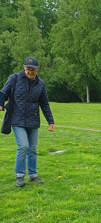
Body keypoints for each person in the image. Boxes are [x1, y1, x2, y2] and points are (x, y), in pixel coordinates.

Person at [0, 56, 55, 187]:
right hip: (17, 119)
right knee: (23, 146)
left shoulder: (41, 84)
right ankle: (19, 176)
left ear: (38, 69)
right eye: (27, 69)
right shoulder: (14, 78)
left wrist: (50, 121)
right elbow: (2, 93)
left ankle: (33, 175)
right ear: (24, 68)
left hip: (33, 119)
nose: (30, 72)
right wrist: (1, 104)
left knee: (33, 149)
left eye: (33, 70)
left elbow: (44, 103)